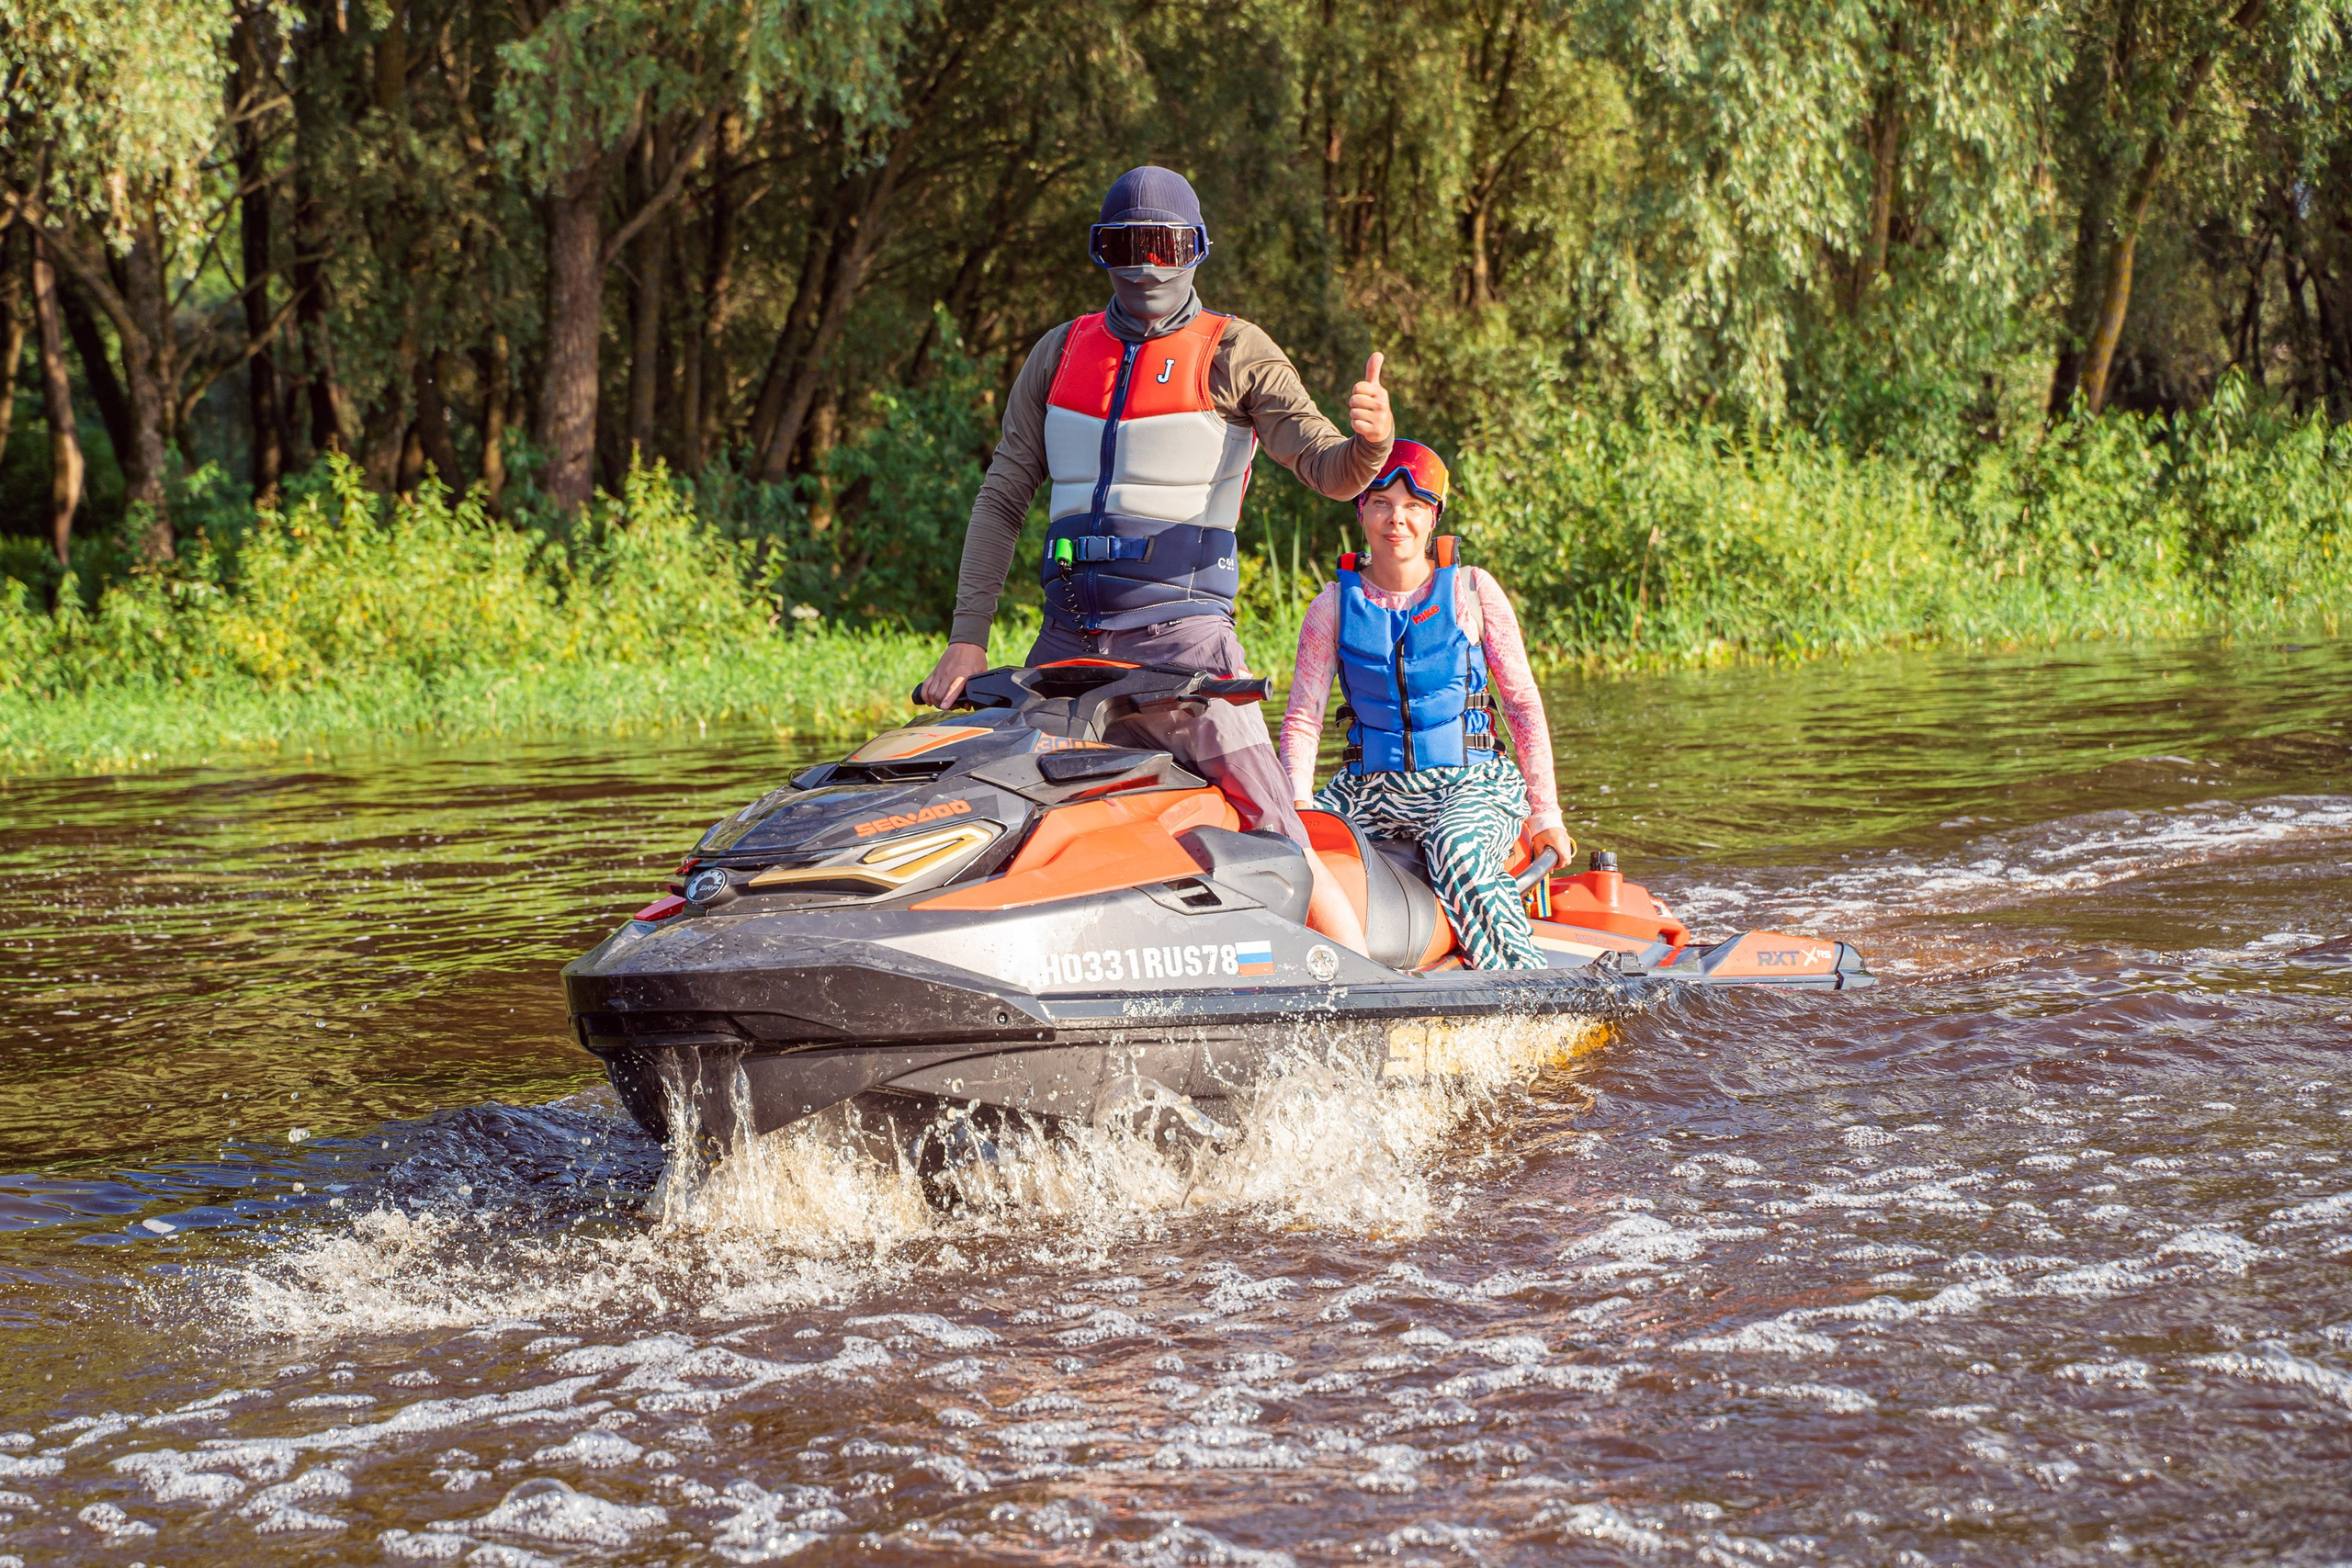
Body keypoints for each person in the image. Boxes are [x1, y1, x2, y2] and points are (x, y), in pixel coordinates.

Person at [919, 164, 1390, 951]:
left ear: (1196, 250)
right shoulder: (1058, 353)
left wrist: (1370, 444)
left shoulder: (1237, 351)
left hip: (1186, 646)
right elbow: (1003, 495)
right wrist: (970, 636)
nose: (1145, 266)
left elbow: (1329, 469)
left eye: (1164, 245)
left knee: (1276, 829)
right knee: (999, 818)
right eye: (1125, 245)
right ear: (1100, 252)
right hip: (1066, 647)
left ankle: (1375, 987)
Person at [1278, 441, 1576, 970]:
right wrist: (1298, 805)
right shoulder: (1332, 607)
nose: (1398, 520)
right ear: (1361, 512)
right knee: (1279, 851)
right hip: (1370, 790)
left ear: (1433, 516)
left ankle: (1522, 985)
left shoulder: (1472, 592)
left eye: (1414, 506)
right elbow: (1303, 717)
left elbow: (1522, 704)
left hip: (1469, 782)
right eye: (1382, 504)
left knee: (1457, 847)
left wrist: (1545, 812)